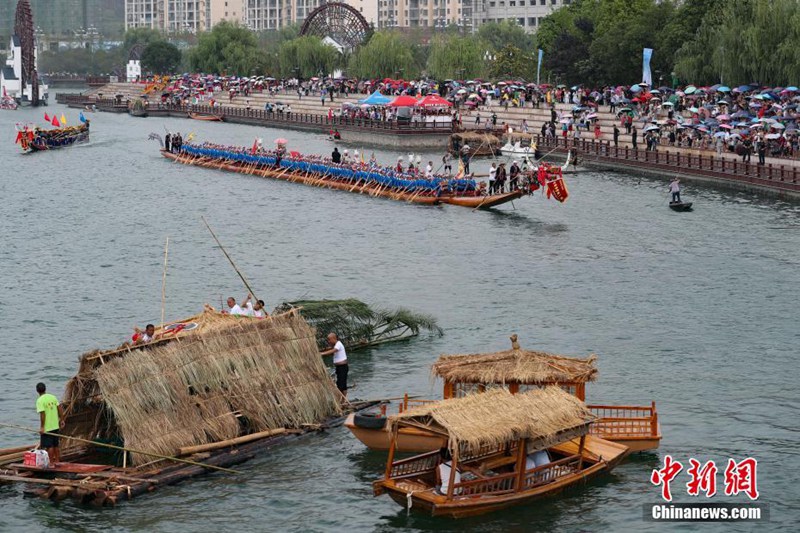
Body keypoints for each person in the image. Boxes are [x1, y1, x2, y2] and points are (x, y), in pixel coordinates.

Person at [36, 382, 64, 465]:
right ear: (45, 389)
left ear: (37, 391)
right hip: (55, 425)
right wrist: (62, 420)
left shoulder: (40, 400)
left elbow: (42, 414)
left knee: (49, 446)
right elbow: (60, 409)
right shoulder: (53, 397)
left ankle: (51, 463)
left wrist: (42, 427)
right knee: (56, 445)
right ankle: (57, 461)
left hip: (47, 427)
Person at [320, 332, 348, 399]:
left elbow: (334, 350)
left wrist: (322, 353)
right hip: (339, 367)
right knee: (340, 384)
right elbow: (332, 349)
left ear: (334, 338)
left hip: (343, 367)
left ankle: (343, 400)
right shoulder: (335, 345)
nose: (328, 341)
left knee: (342, 384)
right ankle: (343, 400)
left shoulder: (338, 344)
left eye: (329, 339)